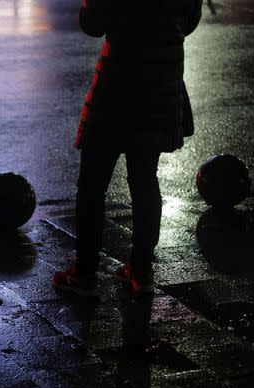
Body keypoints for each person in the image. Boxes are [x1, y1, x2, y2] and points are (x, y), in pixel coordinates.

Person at [52, 0, 203, 296]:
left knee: (93, 183)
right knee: (145, 178)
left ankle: (84, 272)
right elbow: (188, 22)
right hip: (161, 82)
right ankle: (142, 269)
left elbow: (93, 22)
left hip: (119, 86)